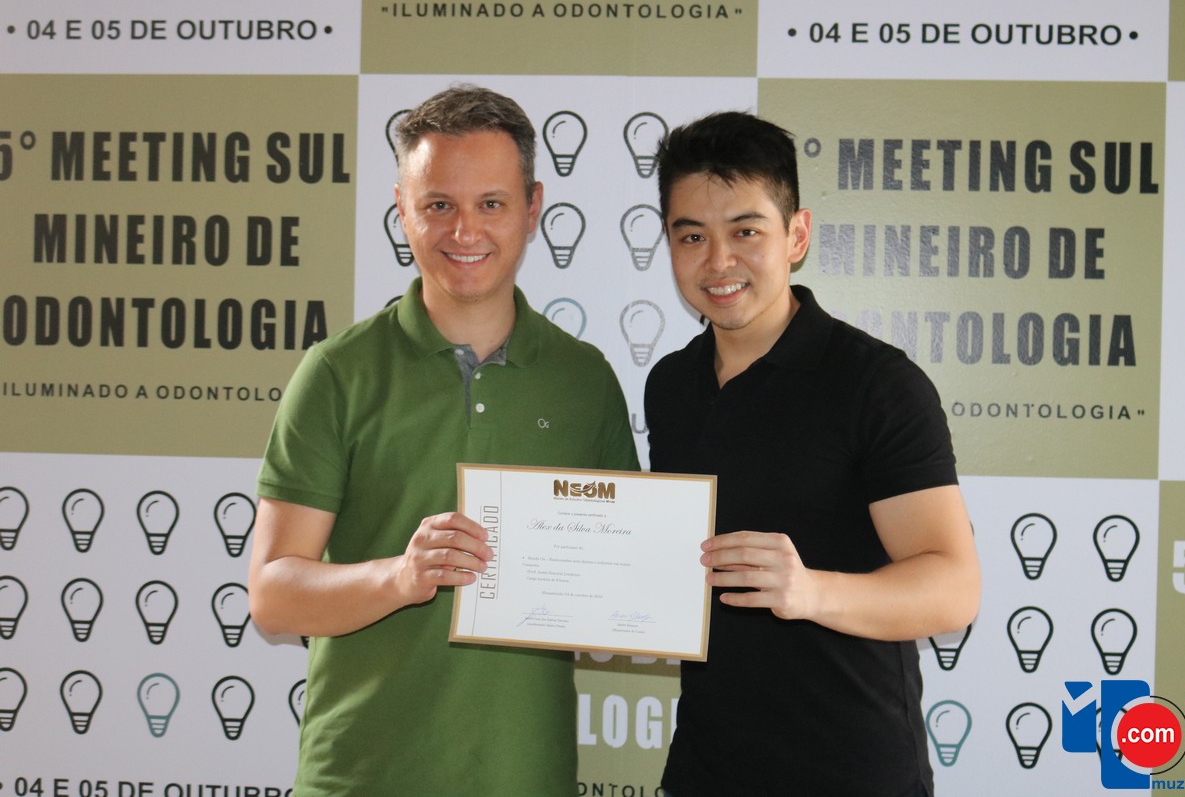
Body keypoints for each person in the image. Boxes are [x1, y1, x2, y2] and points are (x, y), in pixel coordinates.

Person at [248, 85, 640, 796]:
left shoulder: (585, 380)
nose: (465, 230)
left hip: (526, 777)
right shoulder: (337, 372)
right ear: (402, 209)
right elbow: (273, 595)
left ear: (532, 208)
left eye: (491, 203)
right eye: (438, 205)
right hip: (359, 777)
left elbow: (621, 582)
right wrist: (400, 577)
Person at [645, 111, 980, 797]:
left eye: (746, 231)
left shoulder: (876, 383)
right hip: (706, 771)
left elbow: (955, 590)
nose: (718, 261)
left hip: (852, 772)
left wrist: (810, 590)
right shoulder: (671, 385)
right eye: (692, 236)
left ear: (796, 235)